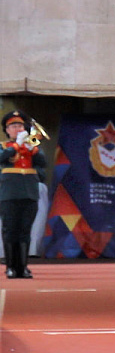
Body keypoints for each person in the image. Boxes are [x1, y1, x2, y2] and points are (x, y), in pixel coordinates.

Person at [0, 111, 47, 279]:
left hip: (29, 191)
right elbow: (2, 158)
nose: (17, 129)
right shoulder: (4, 146)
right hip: (10, 192)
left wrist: (31, 147)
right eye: (13, 126)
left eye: (20, 126)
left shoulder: (31, 144)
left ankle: (23, 267)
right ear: (7, 130)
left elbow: (43, 162)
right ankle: (11, 267)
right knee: (10, 230)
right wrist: (16, 146)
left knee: (25, 231)